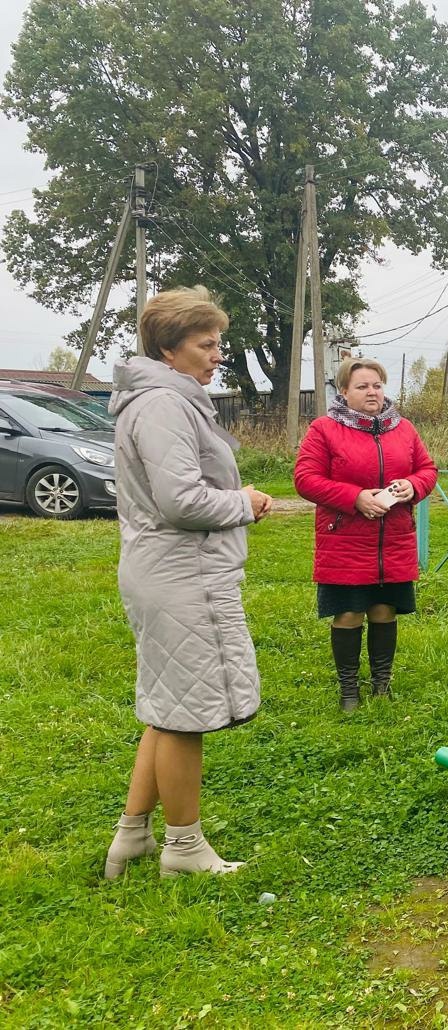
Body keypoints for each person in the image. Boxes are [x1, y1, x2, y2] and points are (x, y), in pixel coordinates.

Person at [104, 286, 272, 879]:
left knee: (166, 706)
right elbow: (180, 499)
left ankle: (133, 836)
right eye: (207, 344)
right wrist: (243, 502)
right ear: (168, 350)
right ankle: (183, 848)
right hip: (180, 573)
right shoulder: (164, 406)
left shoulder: (164, 400)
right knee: (184, 716)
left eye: (218, 342)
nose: (217, 354)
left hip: (171, 569)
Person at [294, 357, 437, 711]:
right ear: (344, 392)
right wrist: (354, 498)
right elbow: (305, 479)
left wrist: (412, 486)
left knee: (384, 610)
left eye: (376, 385)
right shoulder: (324, 429)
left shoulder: (403, 429)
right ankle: (348, 691)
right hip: (345, 539)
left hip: (394, 540)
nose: (371, 392)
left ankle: (381, 685)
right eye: (362, 386)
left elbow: (427, 469)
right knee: (348, 614)